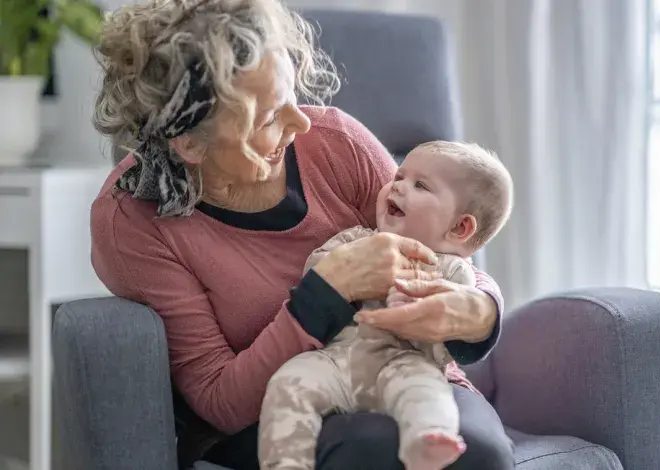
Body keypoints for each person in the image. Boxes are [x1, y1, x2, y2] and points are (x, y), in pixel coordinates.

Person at [88, 0, 515, 469]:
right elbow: (217, 398)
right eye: (269, 118)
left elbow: (444, 255)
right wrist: (325, 292)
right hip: (275, 413)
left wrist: (478, 309)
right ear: (189, 143)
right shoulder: (132, 221)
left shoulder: (337, 143)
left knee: (479, 450)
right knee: (373, 448)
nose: (303, 123)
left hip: (409, 375)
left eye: (291, 95)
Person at [259, 141, 513, 470]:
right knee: (288, 383)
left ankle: (426, 444)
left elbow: (445, 349)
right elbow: (315, 274)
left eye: (420, 185)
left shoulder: (452, 273)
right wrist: (346, 273)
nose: (397, 186)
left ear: (459, 227)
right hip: (337, 361)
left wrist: (421, 307)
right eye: (399, 176)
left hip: (405, 364)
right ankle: (286, 462)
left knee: (428, 394)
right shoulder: (358, 240)